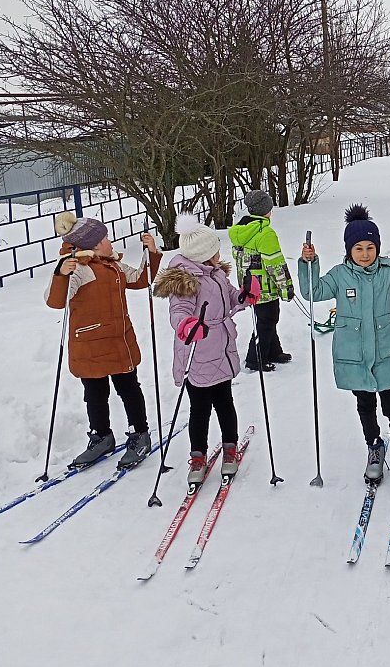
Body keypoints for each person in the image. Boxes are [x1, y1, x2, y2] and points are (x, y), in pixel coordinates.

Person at [298, 204, 390, 487]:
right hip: (354, 355)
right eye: (359, 249)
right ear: (349, 251)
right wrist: (309, 263)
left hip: (385, 351)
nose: (365, 254)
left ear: (378, 248)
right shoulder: (340, 275)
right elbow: (312, 291)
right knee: (364, 404)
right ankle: (375, 447)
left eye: (370, 248)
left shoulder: (388, 272)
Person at [45, 213, 161, 469]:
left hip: (118, 342)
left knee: (129, 389)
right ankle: (101, 436)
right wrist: (61, 273)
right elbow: (55, 301)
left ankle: (140, 433)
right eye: (106, 238)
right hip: (89, 346)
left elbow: (141, 278)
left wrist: (151, 253)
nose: (110, 241)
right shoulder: (78, 269)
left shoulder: (114, 264)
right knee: (95, 394)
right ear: (95, 244)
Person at [153, 214, 259, 484]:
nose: (218, 253)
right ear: (203, 254)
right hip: (197, 353)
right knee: (199, 408)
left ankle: (230, 448)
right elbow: (179, 310)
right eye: (215, 250)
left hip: (220, 350)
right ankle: (198, 456)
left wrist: (244, 296)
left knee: (225, 403)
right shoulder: (186, 280)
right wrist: (187, 325)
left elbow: (230, 297)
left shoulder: (216, 273)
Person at [228, 190, 294, 374]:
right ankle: (255, 359)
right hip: (265, 288)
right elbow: (276, 264)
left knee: (267, 318)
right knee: (266, 321)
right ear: (266, 209)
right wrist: (286, 288)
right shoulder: (265, 233)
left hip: (251, 286)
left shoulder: (241, 230)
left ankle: (273, 351)